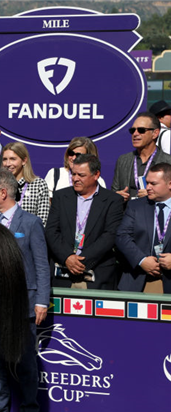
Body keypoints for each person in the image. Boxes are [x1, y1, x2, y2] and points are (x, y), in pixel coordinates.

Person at [0, 169, 49, 412]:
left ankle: (29, 411)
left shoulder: (30, 223)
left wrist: (41, 301)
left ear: (3, 193)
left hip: (22, 302)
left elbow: (41, 265)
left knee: (24, 359)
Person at [45, 154, 124, 289]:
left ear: (96, 175)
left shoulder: (113, 200)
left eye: (81, 175)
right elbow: (51, 231)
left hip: (97, 273)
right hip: (63, 274)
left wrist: (81, 261)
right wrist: (67, 257)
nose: (75, 178)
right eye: (73, 174)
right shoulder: (61, 197)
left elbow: (110, 235)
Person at [116, 163, 171, 294]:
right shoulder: (136, 206)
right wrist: (141, 260)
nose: (148, 188)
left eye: (153, 183)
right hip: (138, 281)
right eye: (147, 183)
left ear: (170, 184)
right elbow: (122, 236)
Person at [112, 112, 171, 202]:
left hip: (156, 214)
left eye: (141, 130)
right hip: (128, 213)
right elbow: (114, 191)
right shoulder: (123, 160)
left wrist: (155, 195)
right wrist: (117, 196)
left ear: (155, 133)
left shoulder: (168, 161)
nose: (135, 134)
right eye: (132, 130)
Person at [1, 142, 50, 225]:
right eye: (5, 159)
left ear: (24, 161)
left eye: (13, 159)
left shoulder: (39, 184)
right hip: (2, 236)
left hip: (29, 236)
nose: (8, 164)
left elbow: (43, 221)